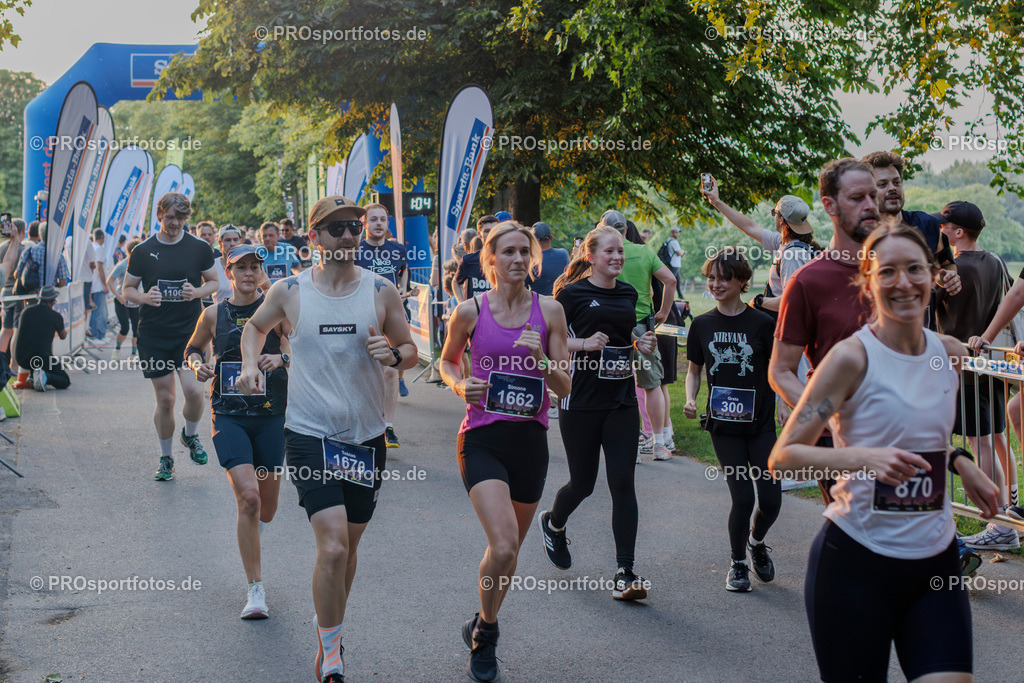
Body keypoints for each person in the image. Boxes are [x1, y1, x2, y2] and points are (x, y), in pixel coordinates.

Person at [769, 222, 1000, 682]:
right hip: (856, 561)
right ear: (867, 282)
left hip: (935, 565)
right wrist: (865, 457)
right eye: (887, 271)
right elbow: (785, 455)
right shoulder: (851, 358)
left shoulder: (948, 353)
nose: (903, 282)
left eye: (914, 269)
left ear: (932, 277)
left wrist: (959, 461)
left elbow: (917, 432)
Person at [236, 195, 416, 683]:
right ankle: (332, 655)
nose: (348, 236)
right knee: (333, 548)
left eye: (354, 227)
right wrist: (251, 364)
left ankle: (329, 628)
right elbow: (253, 330)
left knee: (349, 550)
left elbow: (410, 349)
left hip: (365, 437)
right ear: (314, 238)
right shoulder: (291, 291)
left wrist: (394, 355)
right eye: (336, 229)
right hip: (310, 433)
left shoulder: (380, 291)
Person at [439, 222, 570, 682]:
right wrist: (459, 384)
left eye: (523, 252)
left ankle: (481, 619)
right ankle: (487, 635)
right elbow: (448, 358)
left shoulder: (550, 311)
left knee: (509, 555)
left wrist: (541, 362)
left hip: (529, 443)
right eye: (507, 252)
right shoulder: (469, 311)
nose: (517, 259)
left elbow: (564, 382)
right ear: (489, 261)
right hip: (481, 438)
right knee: (505, 543)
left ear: (532, 260)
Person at [537, 225, 656, 600]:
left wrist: (641, 342)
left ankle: (625, 571)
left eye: (621, 251)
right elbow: (547, 340)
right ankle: (554, 524)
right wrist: (583, 344)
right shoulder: (570, 295)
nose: (618, 257)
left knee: (623, 482)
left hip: (621, 400)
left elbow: (625, 338)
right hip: (581, 399)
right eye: (610, 252)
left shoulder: (629, 292)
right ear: (591, 256)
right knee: (584, 484)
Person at [184, 244, 290, 619]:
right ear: (228, 274)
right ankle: (255, 590)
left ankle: (253, 535)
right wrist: (197, 365)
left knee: (268, 509)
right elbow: (192, 350)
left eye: (253, 267)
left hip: (271, 416)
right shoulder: (213, 313)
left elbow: (303, 347)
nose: (247, 273)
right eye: (239, 267)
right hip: (228, 415)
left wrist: (282, 358)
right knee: (248, 499)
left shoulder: (276, 311)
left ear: (261, 272)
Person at [683, 250, 780, 592]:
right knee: (742, 498)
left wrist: (782, 401)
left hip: (760, 424)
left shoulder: (763, 324)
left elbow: (777, 369)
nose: (715, 284)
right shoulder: (702, 324)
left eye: (724, 278)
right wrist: (691, 398)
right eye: (711, 278)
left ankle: (756, 543)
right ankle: (738, 563)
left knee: (770, 500)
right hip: (724, 426)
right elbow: (694, 371)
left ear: (742, 281)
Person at [930, 201, 1020, 551]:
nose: (940, 230)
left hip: (964, 365)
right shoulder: (996, 261)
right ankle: (1011, 510)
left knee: (979, 442)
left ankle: (999, 523)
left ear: (958, 232)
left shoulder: (949, 271)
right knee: (997, 437)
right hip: (995, 363)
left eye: (944, 225)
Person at [122, 192, 219, 481]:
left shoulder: (199, 248)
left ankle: (190, 436)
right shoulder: (142, 250)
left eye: (180, 218)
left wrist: (198, 292)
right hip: (154, 334)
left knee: (194, 391)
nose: (175, 223)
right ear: (159, 215)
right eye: (170, 217)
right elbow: (127, 289)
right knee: (165, 399)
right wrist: (144, 297)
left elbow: (213, 281)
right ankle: (166, 458)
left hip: (191, 334)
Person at [600, 210, 677, 459]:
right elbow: (670, 280)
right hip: (643, 324)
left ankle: (627, 442)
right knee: (651, 384)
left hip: (609, 325)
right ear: (626, 229)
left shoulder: (600, 254)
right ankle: (659, 444)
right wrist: (664, 311)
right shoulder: (644, 251)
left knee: (614, 382)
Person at [354, 203, 409, 445]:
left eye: (383, 219)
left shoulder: (397, 249)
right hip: (361, 315)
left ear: (388, 223)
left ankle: (387, 426)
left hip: (392, 316)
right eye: (373, 219)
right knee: (360, 369)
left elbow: (403, 271)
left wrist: (403, 288)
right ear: (364, 223)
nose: (378, 223)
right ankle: (361, 420)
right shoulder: (355, 249)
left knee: (390, 369)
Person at [16, 286, 69, 391]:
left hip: (22, 358)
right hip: (43, 359)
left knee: (34, 353)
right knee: (65, 380)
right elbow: (63, 336)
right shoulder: (55, 316)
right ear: (53, 301)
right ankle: (45, 376)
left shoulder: (26, 312)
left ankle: (33, 377)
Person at [1, 219, 30, 374]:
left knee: (6, 329)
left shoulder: (1, 248)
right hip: (18, 293)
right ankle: (13, 366)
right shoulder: (24, 249)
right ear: (22, 231)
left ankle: (1, 363)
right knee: (16, 330)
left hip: (4, 292)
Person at [106, 239, 142, 359]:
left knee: (137, 329)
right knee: (125, 328)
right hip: (122, 301)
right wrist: (118, 295)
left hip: (136, 301)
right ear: (130, 253)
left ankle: (133, 354)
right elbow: (109, 281)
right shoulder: (122, 265)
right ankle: (116, 350)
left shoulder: (142, 264)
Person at [456, 215, 499, 300]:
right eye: (487, 231)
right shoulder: (468, 260)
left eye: (494, 230)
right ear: (479, 234)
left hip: (501, 311)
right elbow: (455, 282)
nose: (491, 234)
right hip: (477, 311)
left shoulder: (509, 258)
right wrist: (461, 304)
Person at [88, 229, 111, 340]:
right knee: (99, 313)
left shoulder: (92, 247)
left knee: (100, 312)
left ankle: (99, 334)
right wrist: (105, 284)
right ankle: (97, 335)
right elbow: (99, 267)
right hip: (98, 285)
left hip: (93, 284)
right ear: (102, 237)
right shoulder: (99, 249)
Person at [666, 227, 685, 297]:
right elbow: (679, 252)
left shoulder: (669, 240)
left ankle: (680, 295)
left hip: (673, 263)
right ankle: (669, 295)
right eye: (676, 232)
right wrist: (682, 252)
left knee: (678, 280)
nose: (678, 234)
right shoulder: (674, 242)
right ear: (672, 233)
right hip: (674, 264)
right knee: (672, 281)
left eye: (678, 232)